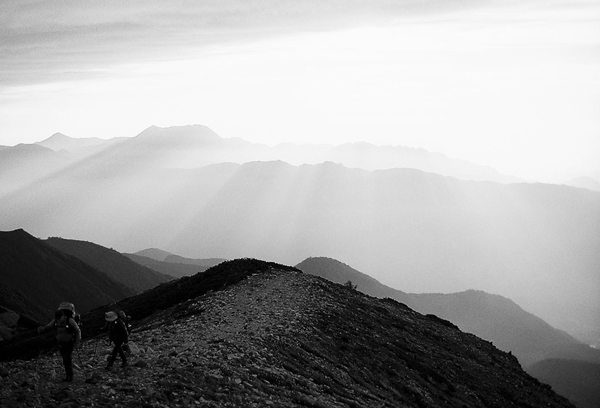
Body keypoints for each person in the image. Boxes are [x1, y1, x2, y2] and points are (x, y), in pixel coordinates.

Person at [38, 302, 81, 382]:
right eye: (57, 318)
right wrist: (42, 329)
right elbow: (49, 327)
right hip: (61, 343)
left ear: (63, 316)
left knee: (66, 360)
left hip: (69, 343)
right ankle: (68, 375)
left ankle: (70, 376)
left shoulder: (70, 320)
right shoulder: (56, 320)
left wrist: (77, 342)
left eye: (59, 318)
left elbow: (77, 330)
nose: (58, 320)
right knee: (66, 360)